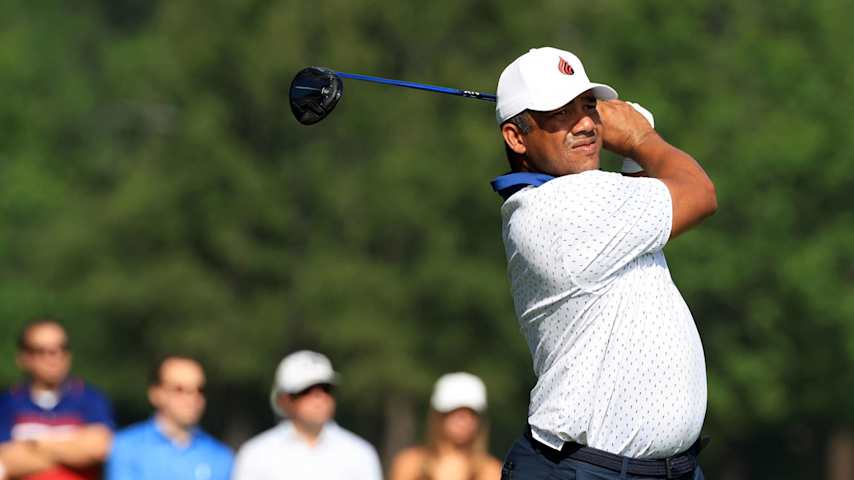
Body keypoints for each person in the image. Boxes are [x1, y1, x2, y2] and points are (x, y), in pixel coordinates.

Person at [491, 47, 717, 479]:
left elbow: (638, 211)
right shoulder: (558, 208)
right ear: (517, 137)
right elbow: (700, 194)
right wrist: (638, 140)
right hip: (584, 469)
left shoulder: (589, 201)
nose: (584, 124)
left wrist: (634, 156)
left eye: (588, 106)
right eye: (559, 113)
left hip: (661, 469)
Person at [232, 350, 382, 480]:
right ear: (284, 400)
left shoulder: (360, 454)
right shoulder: (256, 454)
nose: (319, 398)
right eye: (306, 391)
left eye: (325, 388)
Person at [0, 319, 115, 480]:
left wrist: (35, 445)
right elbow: (5, 461)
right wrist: (73, 450)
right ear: (24, 358)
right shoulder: (7, 403)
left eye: (61, 348)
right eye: (42, 351)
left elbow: (98, 448)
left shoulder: (90, 398)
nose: (53, 358)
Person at [106, 355, 233, 480]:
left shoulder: (220, 456)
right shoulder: (126, 447)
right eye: (179, 389)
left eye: (199, 390)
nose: (192, 398)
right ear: (156, 393)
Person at [390, 372, 502, 480]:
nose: (463, 420)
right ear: (437, 416)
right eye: (454, 412)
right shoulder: (409, 464)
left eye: (471, 413)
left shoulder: (492, 471)